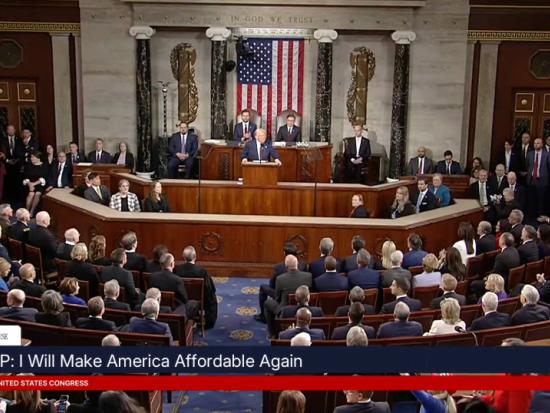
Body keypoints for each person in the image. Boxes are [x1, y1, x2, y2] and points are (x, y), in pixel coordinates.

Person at [264, 255, 312, 337]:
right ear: (297, 264)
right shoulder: (308, 276)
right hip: (304, 308)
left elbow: (277, 298)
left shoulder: (280, 279)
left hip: (284, 310)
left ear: (286, 267)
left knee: (267, 302)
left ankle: (272, 333)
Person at [174, 245, 218, 329]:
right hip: (199, 300)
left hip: (181, 299)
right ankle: (208, 324)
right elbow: (210, 289)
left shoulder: (177, 270)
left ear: (183, 257)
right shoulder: (202, 271)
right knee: (212, 297)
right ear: (195, 257)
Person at [526, 137, 549, 219]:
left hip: (542, 180)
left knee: (541, 199)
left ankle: (539, 216)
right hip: (531, 179)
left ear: (542, 144)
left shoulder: (547, 154)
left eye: (538, 143)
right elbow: (527, 165)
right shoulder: (530, 153)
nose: (536, 145)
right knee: (531, 199)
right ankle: (530, 216)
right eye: (535, 143)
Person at [22, 151, 48, 216]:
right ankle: (27, 211)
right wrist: (29, 184)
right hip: (29, 184)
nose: (31, 158)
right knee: (31, 194)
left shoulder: (44, 166)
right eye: (31, 157)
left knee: (37, 194)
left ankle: (32, 211)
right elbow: (25, 177)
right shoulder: (28, 165)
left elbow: (44, 178)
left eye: (33, 157)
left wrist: (33, 184)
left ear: (38, 158)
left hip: (39, 184)